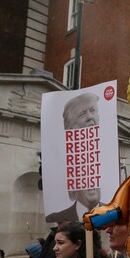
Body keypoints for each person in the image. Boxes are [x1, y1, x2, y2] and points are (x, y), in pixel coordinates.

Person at [46, 92, 102, 223]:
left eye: (92, 111)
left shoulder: (112, 213)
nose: (89, 117)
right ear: (69, 126)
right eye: (82, 114)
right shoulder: (58, 217)